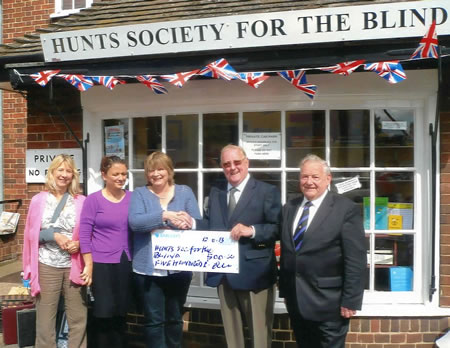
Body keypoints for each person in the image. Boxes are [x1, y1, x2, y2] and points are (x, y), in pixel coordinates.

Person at [195, 144, 281, 348]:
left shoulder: (267, 191)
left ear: (247, 163)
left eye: (236, 162)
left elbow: (277, 228)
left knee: (259, 336)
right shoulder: (216, 191)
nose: (232, 168)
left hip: (256, 274)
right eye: (226, 164)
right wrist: (189, 223)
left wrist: (252, 230)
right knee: (232, 338)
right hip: (224, 274)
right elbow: (210, 225)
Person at [279, 154, 367, 348]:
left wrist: (351, 300)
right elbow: (288, 252)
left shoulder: (346, 209)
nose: (309, 182)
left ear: (328, 179)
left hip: (330, 304)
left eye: (315, 177)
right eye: (304, 177)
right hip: (297, 301)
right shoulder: (289, 208)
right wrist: (285, 290)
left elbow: (355, 259)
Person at [128, 151, 201, 348]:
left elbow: (197, 221)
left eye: (160, 169)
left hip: (179, 267)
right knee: (153, 320)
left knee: (175, 318)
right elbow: (135, 223)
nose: (156, 174)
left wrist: (190, 222)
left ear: (169, 171)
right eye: (151, 170)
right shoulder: (140, 194)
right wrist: (165, 216)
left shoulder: (185, 192)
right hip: (148, 269)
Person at [22, 154, 87, 348]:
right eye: (60, 170)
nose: (64, 175)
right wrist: (54, 235)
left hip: (73, 265)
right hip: (46, 265)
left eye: (68, 171)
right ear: (52, 172)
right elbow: (31, 236)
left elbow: (89, 231)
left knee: (78, 317)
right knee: (45, 320)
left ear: (73, 175)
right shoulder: (38, 200)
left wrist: (80, 244)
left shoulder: (81, 201)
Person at [79, 156, 132, 348]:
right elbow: (84, 234)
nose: (120, 177)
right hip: (101, 263)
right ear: (104, 175)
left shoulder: (132, 198)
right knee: (103, 312)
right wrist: (89, 264)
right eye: (115, 174)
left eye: (124, 174)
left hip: (126, 261)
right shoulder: (93, 200)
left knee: (121, 312)